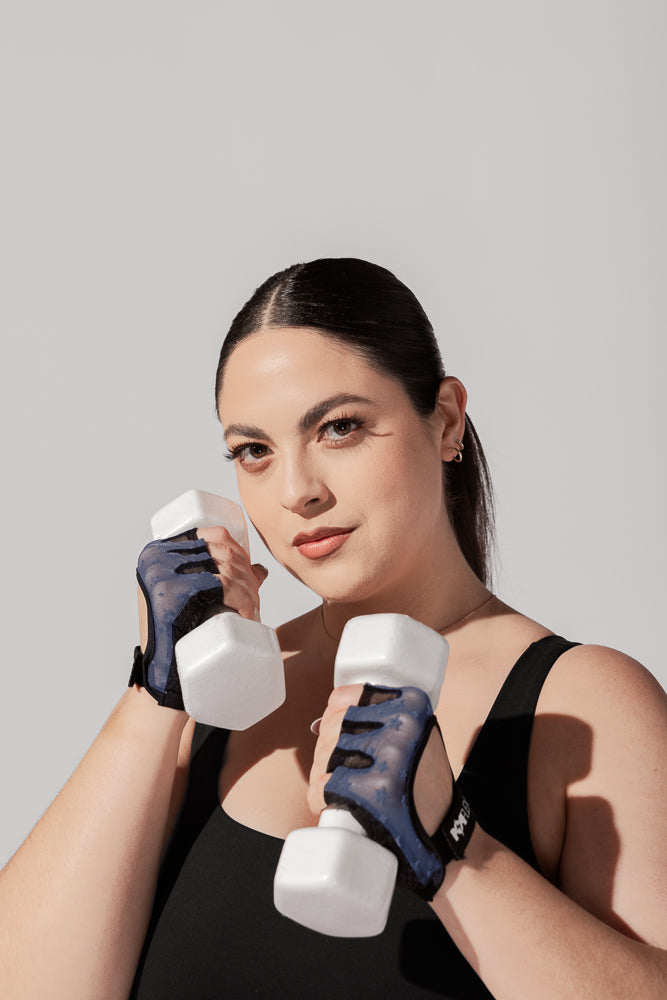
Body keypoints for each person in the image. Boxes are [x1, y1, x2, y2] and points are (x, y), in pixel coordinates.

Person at [1, 258, 665, 999]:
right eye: (254, 451)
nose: (296, 492)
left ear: (445, 420)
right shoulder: (215, 700)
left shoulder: (583, 701)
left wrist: (453, 847)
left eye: (339, 428)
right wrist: (155, 693)